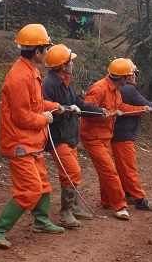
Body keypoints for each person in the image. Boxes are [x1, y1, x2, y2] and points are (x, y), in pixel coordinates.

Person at [0, 24, 65, 249]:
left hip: (31, 141)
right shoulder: (21, 77)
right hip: (19, 142)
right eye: (46, 48)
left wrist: (56, 106)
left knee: (43, 184)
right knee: (30, 189)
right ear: (37, 51)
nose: (48, 52)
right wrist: (45, 119)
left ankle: (42, 221)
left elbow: (35, 104)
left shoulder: (30, 70)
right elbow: (22, 117)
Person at [42, 44, 110, 228]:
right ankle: (65, 213)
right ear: (63, 65)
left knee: (71, 172)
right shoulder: (48, 84)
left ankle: (74, 208)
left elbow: (79, 103)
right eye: (70, 61)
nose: (72, 63)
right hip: (57, 138)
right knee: (72, 172)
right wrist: (67, 111)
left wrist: (99, 111)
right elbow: (43, 111)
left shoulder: (65, 83)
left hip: (69, 136)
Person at [79, 58, 152, 220]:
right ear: (122, 78)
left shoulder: (115, 90)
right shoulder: (99, 89)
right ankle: (120, 205)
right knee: (110, 171)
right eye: (128, 76)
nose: (130, 79)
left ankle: (106, 200)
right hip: (93, 137)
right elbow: (85, 110)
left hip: (105, 136)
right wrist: (103, 113)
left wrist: (143, 108)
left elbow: (121, 108)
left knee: (106, 170)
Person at [107, 59, 152, 212]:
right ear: (129, 75)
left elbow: (139, 106)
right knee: (129, 169)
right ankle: (140, 200)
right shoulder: (129, 90)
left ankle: (126, 193)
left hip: (119, 133)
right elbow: (145, 104)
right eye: (134, 73)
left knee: (122, 168)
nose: (135, 76)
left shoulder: (123, 89)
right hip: (122, 135)